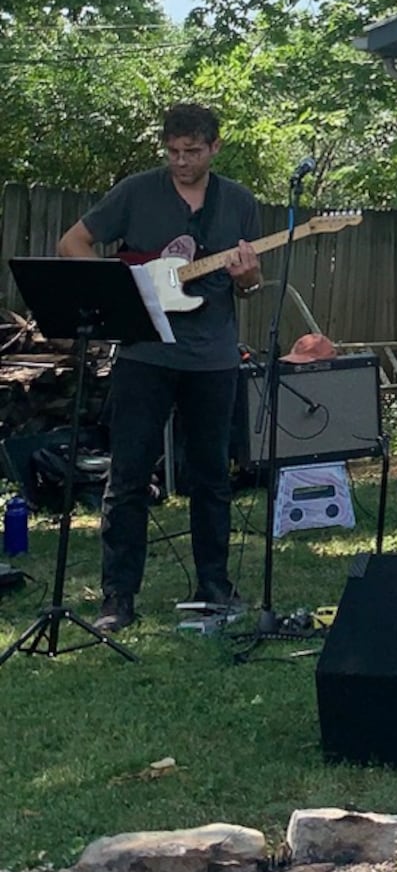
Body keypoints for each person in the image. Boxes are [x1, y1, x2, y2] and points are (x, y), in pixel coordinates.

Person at [58, 102, 261, 633]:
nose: (181, 161)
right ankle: (117, 597)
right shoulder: (136, 191)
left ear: (216, 147)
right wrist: (117, 288)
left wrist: (247, 277)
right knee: (127, 477)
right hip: (145, 353)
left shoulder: (238, 202)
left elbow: (250, 286)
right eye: (172, 152)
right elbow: (72, 242)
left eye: (192, 152)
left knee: (212, 475)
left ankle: (214, 587)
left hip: (213, 355)